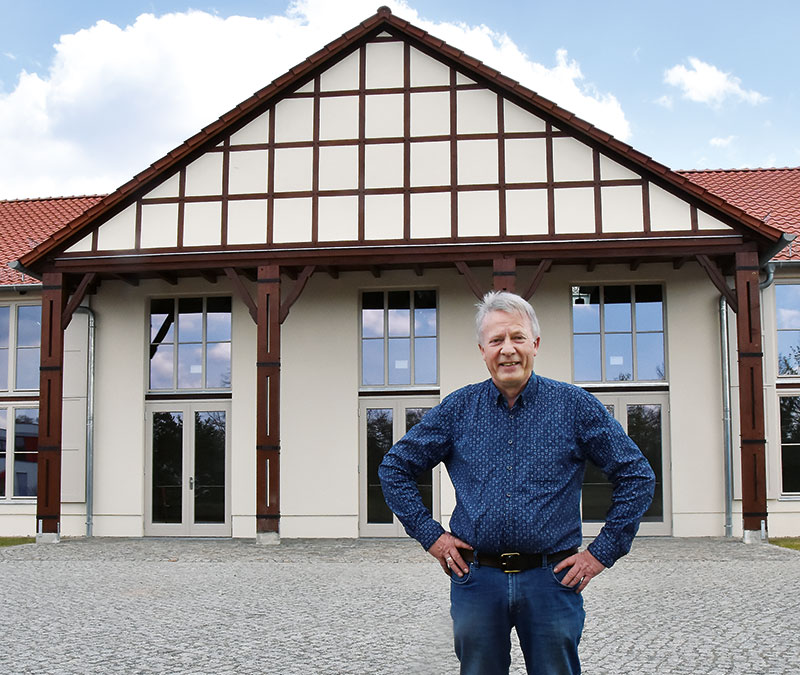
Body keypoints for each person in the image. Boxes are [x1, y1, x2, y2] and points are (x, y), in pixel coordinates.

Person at [379, 290, 655, 675]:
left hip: (552, 581)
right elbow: (395, 467)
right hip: (477, 580)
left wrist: (601, 553)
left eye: (517, 337)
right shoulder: (458, 409)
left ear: (535, 344)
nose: (507, 349)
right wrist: (432, 537)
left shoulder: (575, 406)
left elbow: (636, 475)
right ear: (482, 350)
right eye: (496, 341)